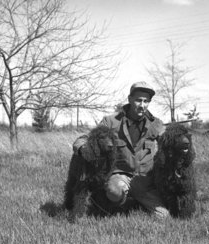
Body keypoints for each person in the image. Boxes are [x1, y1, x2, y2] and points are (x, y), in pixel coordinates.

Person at [72, 81, 169, 218]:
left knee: (163, 216)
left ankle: (137, 202)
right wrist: (82, 149)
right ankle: (120, 204)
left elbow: (170, 141)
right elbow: (86, 138)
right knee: (113, 191)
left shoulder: (156, 124)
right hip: (120, 175)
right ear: (129, 99)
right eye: (138, 100)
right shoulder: (111, 121)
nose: (142, 105)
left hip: (144, 180)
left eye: (146, 101)